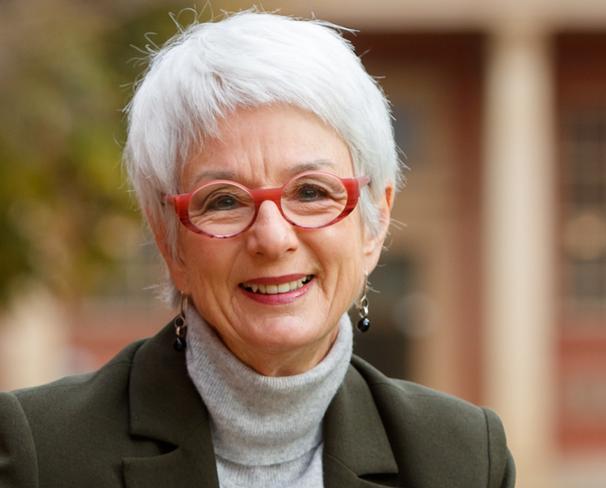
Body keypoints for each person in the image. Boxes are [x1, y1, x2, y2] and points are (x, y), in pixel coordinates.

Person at [0, 11, 515, 488]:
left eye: (311, 191)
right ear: (168, 241)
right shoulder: (42, 455)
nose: (272, 237)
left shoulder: (465, 457)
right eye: (223, 200)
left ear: (373, 224)